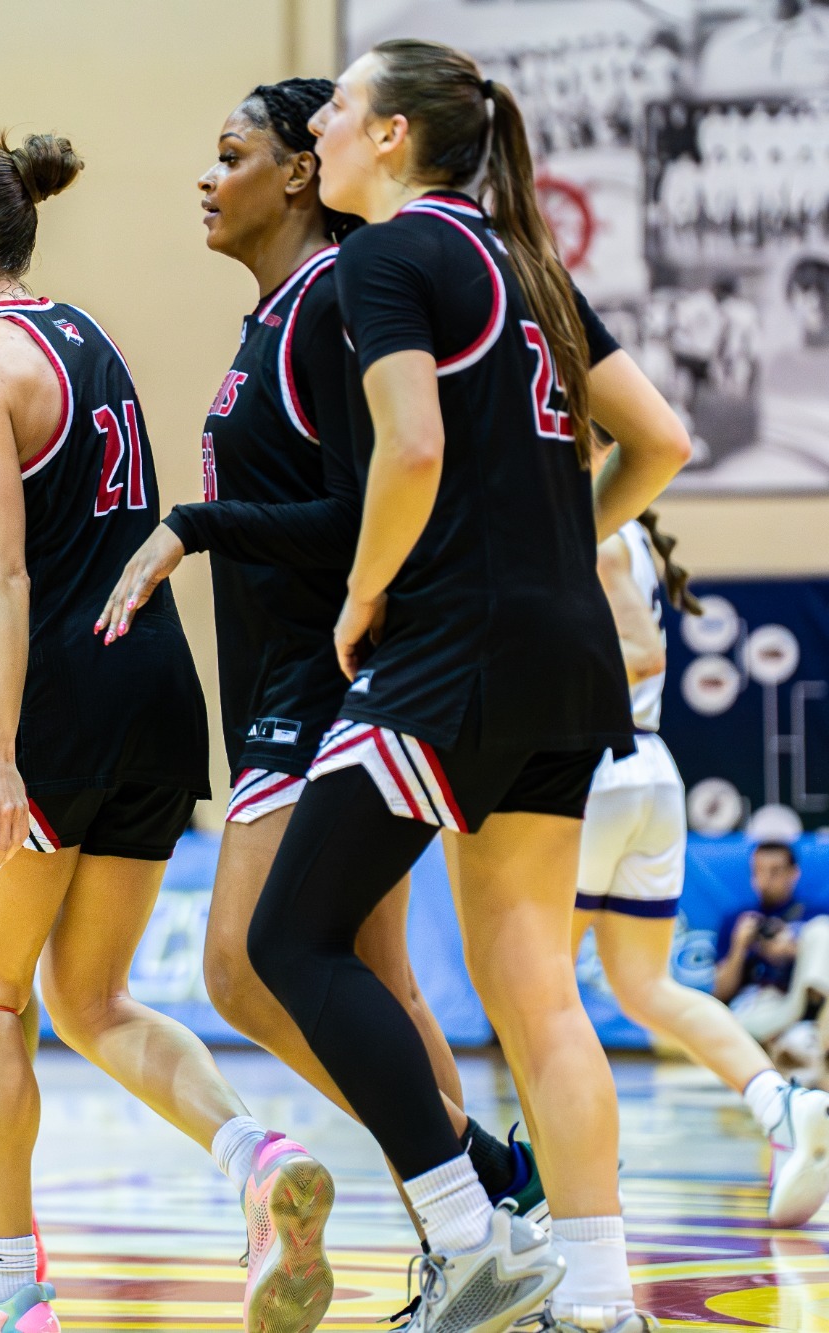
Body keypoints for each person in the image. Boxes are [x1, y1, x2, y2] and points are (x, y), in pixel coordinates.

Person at [247, 41, 691, 1333]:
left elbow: (414, 445)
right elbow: (659, 439)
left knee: (289, 938)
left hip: (452, 653)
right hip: (566, 658)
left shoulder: (387, 256)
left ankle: (467, 1228)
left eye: (335, 111)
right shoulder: (530, 264)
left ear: (391, 138)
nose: (317, 130)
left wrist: (362, 589)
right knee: (537, 990)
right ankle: (602, 1304)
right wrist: (564, 551)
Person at [0, 134, 335, 1333]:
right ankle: (253, 1156)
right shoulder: (83, 333)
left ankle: (10, 1282)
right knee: (90, 995)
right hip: (155, 690)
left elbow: (5, 578)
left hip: (60, 696)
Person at [99, 78, 543, 1220]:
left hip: (320, 677)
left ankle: (482, 1190)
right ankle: (481, 1224)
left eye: (230, 151)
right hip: (294, 676)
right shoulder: (280, 312)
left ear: (301, 169)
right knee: (375, 983)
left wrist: (191, 527)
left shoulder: (333, 299)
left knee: (245, 968)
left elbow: (363, 511)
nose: (207, 175)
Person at [576, 512, 829, 1226]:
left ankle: (570, 1182)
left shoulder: (587, 522)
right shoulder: (617, 523)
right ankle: (781, 1104)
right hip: (647, 765)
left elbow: (642, 651)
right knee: (644, 985)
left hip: (592, 763)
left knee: (536, 996)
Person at [716, 832, 829, 1040]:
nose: (765, 879)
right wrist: (739, 946)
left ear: (793, 873)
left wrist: (794, 950)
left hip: (805, 1004)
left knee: (821, 930)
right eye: (759, 871)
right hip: (762, 1006)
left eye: (775, 871)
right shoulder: (738, 920)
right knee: (733, 1028)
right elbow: (721, 993)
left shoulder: (815, 914)